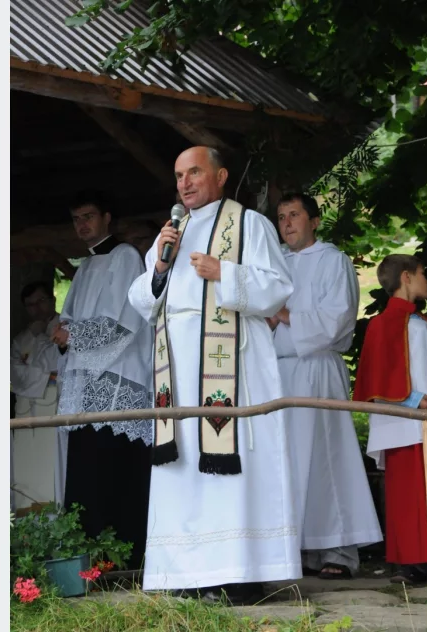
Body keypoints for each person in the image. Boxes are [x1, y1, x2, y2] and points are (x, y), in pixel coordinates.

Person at [127, 146, 299, 604]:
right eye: (179, 175)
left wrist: (225, 271)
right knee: (183, 466)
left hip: (232, 366)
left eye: (194, 172)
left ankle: (241, 573)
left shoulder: (249, 224)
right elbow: (141, 298)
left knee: (231, 467)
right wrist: (161, 266)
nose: (184, 183)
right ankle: (186, 571)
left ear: (220, 175)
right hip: (178, 370)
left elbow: (279, 289)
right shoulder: (173, 231)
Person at [269, 193, 383, 580]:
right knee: (290, 461)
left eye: (295, 215)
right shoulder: (274, 266)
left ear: (314, 221)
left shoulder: (334, 261)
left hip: (317, 368)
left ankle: (339, 549)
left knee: (327, 459)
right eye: (282, 217)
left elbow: (336, 320)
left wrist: (283, 315)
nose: (287, 223)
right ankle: (299, 547)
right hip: (279, 373)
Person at [49, 191, 154, 570]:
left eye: (89, 216)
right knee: (86, 478)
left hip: (117, 386)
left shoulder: (126, 257)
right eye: (77, 218)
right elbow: (68, 318)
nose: (82, 224)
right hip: (85, 392)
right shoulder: (84, 267)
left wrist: (73, 337)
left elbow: (122, 321)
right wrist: (63, 333)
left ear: (107, 217)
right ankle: (88, 562)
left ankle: (122, 559)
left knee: (113, 475)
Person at [353, 254, 427, 586]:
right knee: (411, 494)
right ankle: (415, 560)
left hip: (415, 423)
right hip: (409, 421)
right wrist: (414, 400)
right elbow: (378, 379)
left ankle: (414, 559)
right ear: (407, 278)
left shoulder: (414, 323)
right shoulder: (387, 324)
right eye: (424, 273)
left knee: (417, 494)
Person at [10, 281, 63, 510]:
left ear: (52, 300)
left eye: (41, 301)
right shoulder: (22, 338)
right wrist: (44, 376)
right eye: (30, 305)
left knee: (50, 466)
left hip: (54, 404)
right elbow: (12, 372)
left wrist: (36, 375)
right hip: (25, 409)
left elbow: (59, 364)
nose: (37, 308)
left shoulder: (64, 327)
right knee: (24, 467)